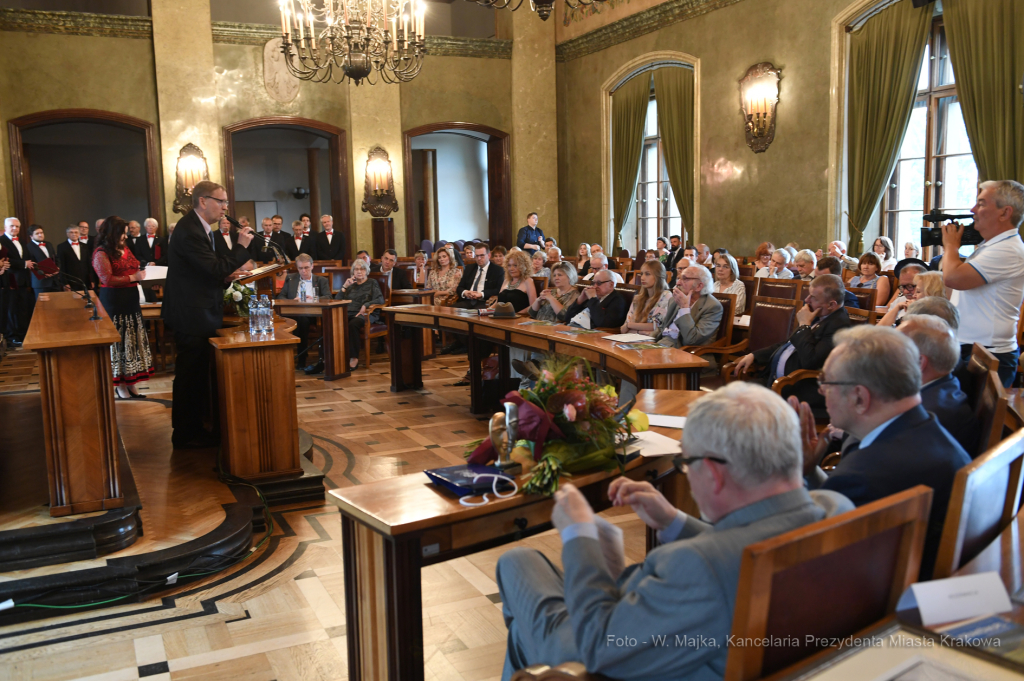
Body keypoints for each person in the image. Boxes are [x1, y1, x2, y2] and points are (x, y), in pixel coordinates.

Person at [496, 381, 852, 680]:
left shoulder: (696, 567)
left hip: (616, 649)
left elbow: (598, 647)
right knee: (523, 617)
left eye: (686, 463)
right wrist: (673, 521)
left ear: (712, 473)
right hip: (717, 641)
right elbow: (742, 547)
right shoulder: (836, 509)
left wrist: (579, 534)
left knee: (518, 561)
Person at [795, 325, 971, 578]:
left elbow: (806, 560)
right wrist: (810, 472)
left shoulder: (864, 477)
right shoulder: (923, 426)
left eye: (826, 383)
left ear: (859, 398)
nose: (822, 392)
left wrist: (789, 480)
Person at [162, 180, 255, 449]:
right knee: (190, 375)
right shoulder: (190, 231)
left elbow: (208, 271)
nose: (226, 208)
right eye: (221, 201)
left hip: (199, 311)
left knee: (198, 374)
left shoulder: (201, 229)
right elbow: (213, 269)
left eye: (226, 202)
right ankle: (185, 434)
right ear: (203, 201)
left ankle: (195, 427)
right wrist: (241, 246)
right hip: (192, 315)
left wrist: (227, 276)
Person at [941, 180, 1024, 387]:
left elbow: (953, 279)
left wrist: (951, 246)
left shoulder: (1007, 250)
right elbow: (954, 290)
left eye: (981, 204)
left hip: (989, 353)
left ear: (1004, 213)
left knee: (968, 418)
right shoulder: (990, 246)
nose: (972, 210)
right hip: (975, 347)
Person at [734, 274, 852, 412]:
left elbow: (811, 360)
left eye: (813, 297)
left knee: (739, 403)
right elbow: (788, 344)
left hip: (799, 388)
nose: (806, 300)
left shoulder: (839, 326)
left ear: (831, 304)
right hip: (776, 381)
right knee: (731, 395)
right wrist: (754, 355)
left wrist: (804, 326)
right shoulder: (818, 314)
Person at [899, 314, 980, 455]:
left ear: (919, 362)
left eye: (892, 350)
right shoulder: (943, 386)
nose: (884, 356)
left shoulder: (926, 417)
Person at [92, 216, 154, 400]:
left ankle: (131, 382)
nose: (125, 237)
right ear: (112, 233)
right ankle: (119, 386)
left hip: (131, 300)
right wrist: (133, 278)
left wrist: (145, 273)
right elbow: (107, 279)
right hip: (114, 302)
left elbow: (135, 266)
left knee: (132, 343)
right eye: (122, 234)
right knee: (119, 344)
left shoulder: (125, 248)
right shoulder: (101, 252)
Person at [277, 254, 332, 374]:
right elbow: (281, 296)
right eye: (301, 268)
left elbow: (328, 296)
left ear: (312, 266)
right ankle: (301, 356)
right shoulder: (290, 279)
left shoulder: (321, 280)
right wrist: (293, 301)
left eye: (306, 267)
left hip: (313, 314)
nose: (304, 271)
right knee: (300, 321)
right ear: (297, 268)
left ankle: (301, 357)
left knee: (303, 321)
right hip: (294, 313)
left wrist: (313, 298)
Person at [655, 265, 722, 348]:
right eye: (678, 278)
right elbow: (663, 328)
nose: (678, 283)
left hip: (687, 352)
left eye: (685, 279)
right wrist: (647, 340)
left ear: (699, 286)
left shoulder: (712, 306)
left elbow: (691, 340)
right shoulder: (674, 300)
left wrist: (684, 309)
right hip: (662, 344)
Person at [335, 258, 384, 370]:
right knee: (333, 321)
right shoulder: (351, 286)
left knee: (353, 324)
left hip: (366, 314)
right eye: (356, 269)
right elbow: (337, 301)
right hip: (349, 313)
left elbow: (380, 299)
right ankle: (334, 356)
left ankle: (354, 358)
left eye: (362, 269)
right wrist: (344, 287)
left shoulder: (372, 283)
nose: (359, 271)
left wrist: (366, 305)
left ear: (366, 271)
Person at [621, 260, 672, 334]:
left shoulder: (666, 295)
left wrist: (630, 325)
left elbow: (657, 326)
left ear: (658, 276)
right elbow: (623, 329)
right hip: (630, 339)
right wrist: (641, 330)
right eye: (641, 274)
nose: (642, 278)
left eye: (647, 274)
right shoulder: (637, 299)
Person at [454, 243, 505, 310]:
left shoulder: (497, 270)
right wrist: (465, 292)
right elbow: (460, 287)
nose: (479, 258)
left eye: (482, 256)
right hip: (467, 301)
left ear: (489, 255)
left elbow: (498, 290)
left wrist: (481, 294)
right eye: (477, 256)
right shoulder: (470, 268)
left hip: (484, 302)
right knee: (449, 312)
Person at [26, 225, 61, 298]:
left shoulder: (49, 244)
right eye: (37, 233)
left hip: (54, 281)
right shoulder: (28, 247)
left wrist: (58, 267)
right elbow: (31, 264)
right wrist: (43, 273)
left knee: (56, 305)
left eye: (41, 233)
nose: (40, 235)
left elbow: (56, 258)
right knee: (43, 307)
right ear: (31, 236)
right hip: (41, 283)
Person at [56, 225, 92, 292]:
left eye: (76, 232)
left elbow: (89, 264)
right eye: (71, 232)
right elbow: (62, 266)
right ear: (67, 234)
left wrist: (92, 280)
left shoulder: (85, 246)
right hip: (71, 281)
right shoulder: (61, 247)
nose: (74, 234)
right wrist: (65, 283)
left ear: (79, 233)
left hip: (85, 281)